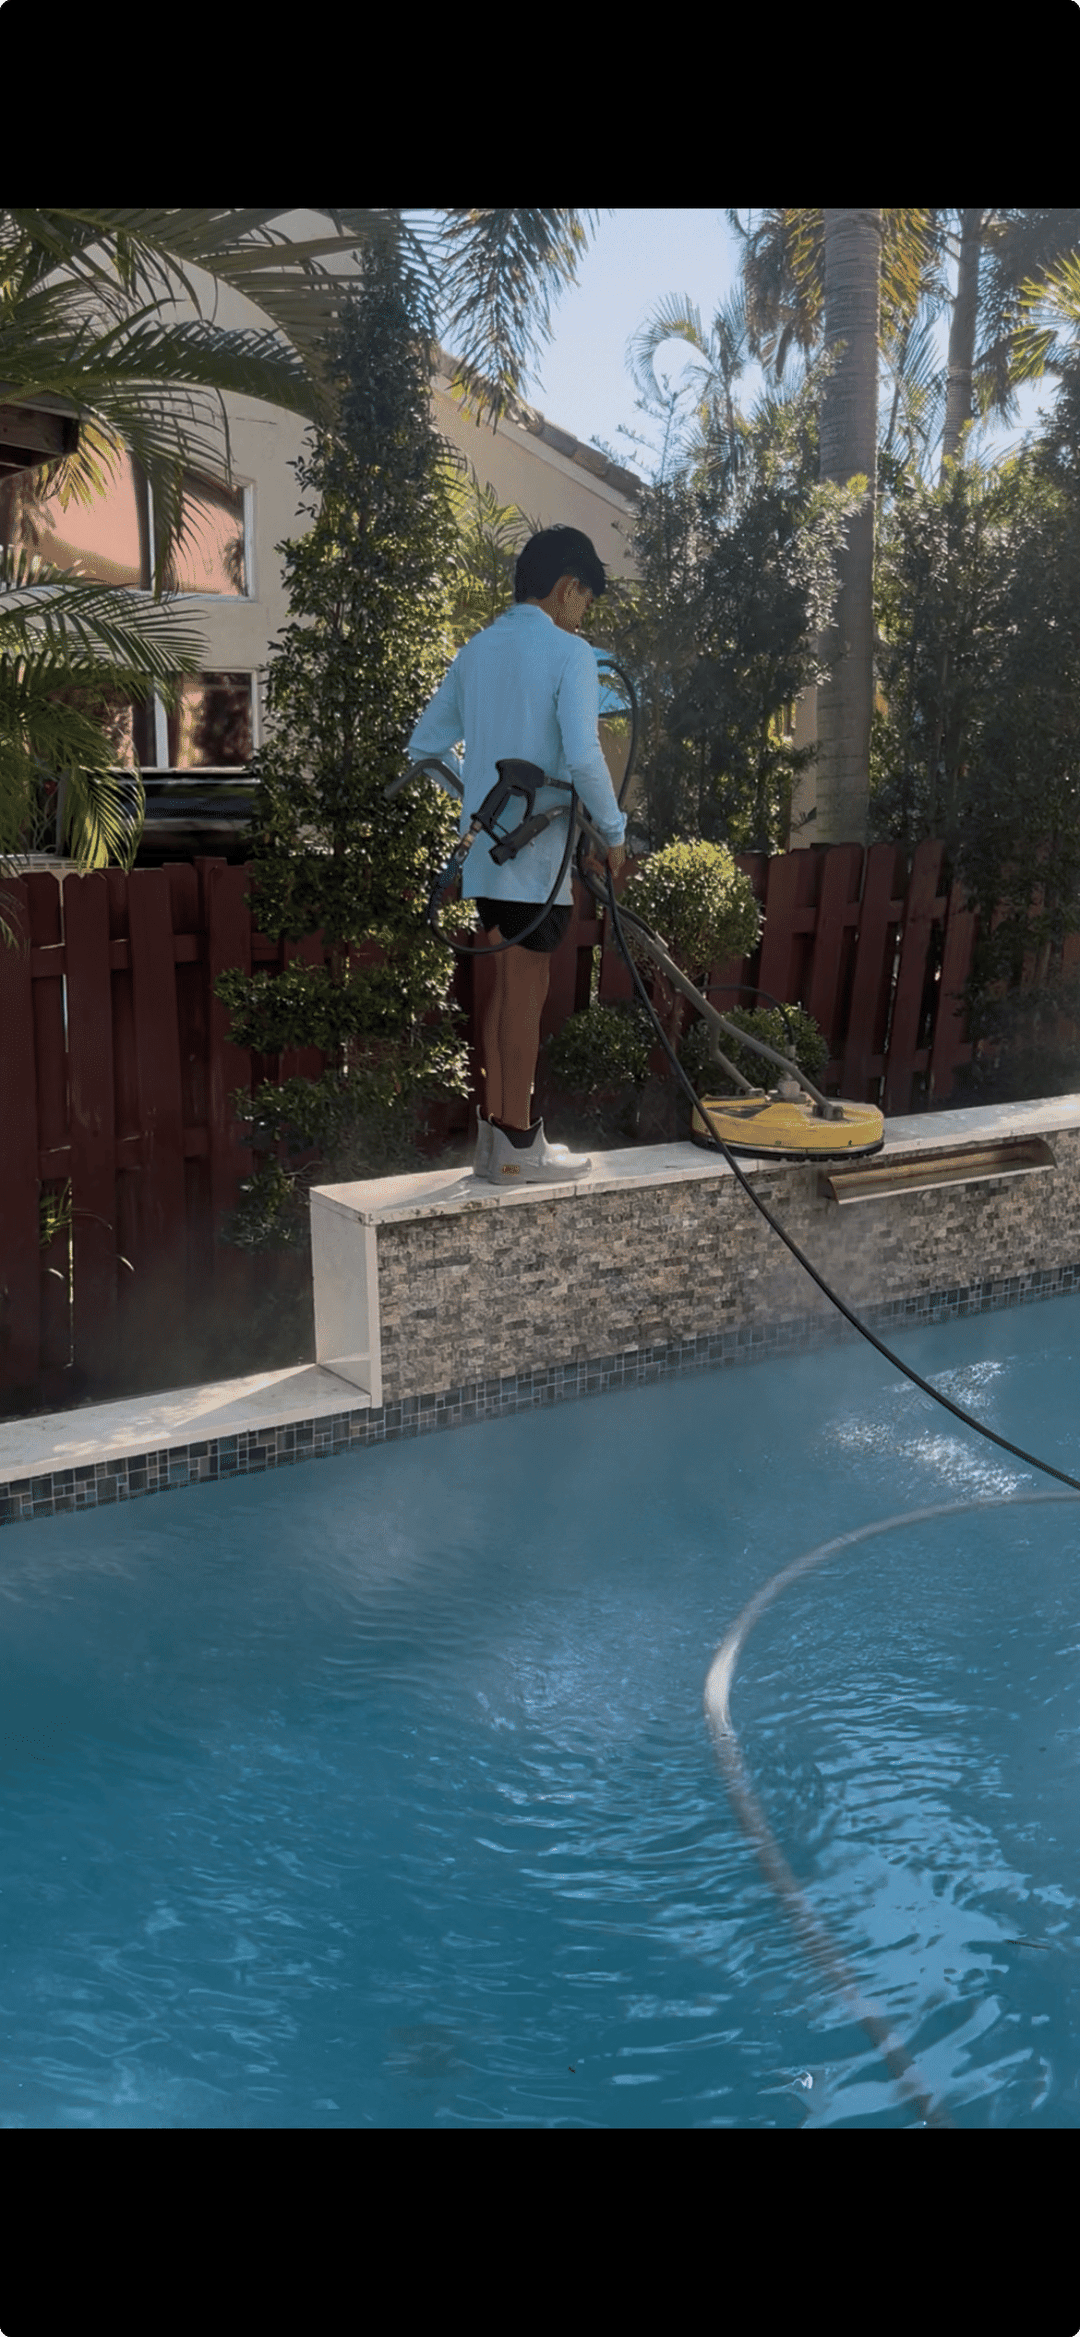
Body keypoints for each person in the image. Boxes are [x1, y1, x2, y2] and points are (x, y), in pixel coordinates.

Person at [405, 525, 627, 1182]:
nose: (582, 612)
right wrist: (614, 837)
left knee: (506, 990)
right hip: (536, 862)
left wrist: (483, 806)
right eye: (584, 598)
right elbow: (585, 755)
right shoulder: (570, 653)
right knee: (527, 994)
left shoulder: (476, 650)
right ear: (567, 588)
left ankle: (497, 1138)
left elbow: (425, 747)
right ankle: (519, 1144)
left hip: (489, 858)